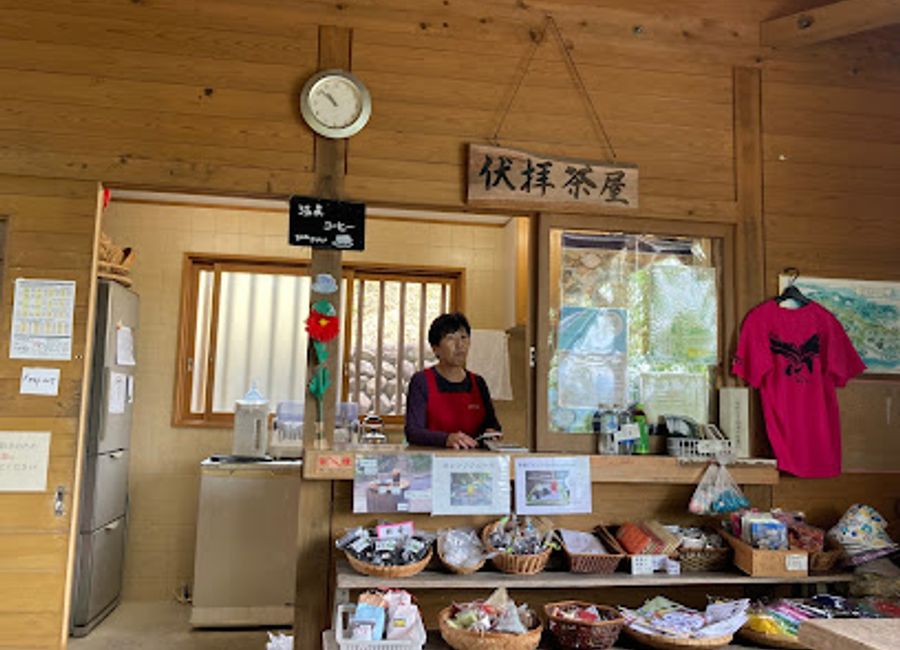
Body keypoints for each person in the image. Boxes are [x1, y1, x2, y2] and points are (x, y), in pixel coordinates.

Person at [404, 312, 501, 449]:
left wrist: (491, 433)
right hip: (432, 463)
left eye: (463, 337)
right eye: (450, 338)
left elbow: (492, 425)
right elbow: (413, 432)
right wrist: (446, 439)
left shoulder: (478, 383)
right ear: (435, 348)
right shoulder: (421, 381)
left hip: (474, 465)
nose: (459, 345)